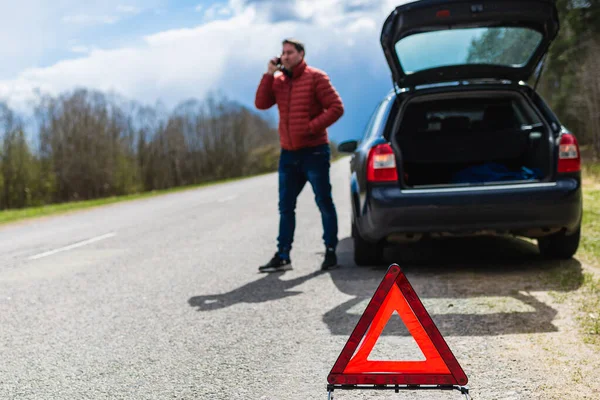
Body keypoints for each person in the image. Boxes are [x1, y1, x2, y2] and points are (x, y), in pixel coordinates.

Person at [254, 38, 344, 273]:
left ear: (301, 54)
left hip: (314, 152)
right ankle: (283, 256)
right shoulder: (279, 81)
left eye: (290, 53)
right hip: (289, 154)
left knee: (323, 202)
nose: (285, 57)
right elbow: (261, 104)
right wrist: (268, 74)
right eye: (282, 53)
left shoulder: (317, 77)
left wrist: (311, 127)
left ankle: (331, 251)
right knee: (285, 206)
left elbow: (336, 107)